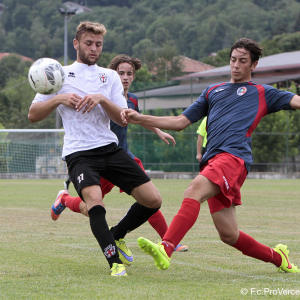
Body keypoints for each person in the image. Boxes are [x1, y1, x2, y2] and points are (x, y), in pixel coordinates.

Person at [123, 37, 300, 273]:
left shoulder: (262, 92)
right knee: (229, 235)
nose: (236, 65)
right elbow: (179, 122)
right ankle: (279, 259)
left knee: (193, 191)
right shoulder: (212, 91)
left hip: (233, 159)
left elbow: (296, 100)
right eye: (233, 60)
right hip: (212, 162)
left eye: (242, 61)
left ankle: (166, 248)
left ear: (253, 65)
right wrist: (140, 118)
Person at [28, 21, 164, 277]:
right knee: (95, 203)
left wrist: (102, 99)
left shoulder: (109, 76)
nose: (94, 49)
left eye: (98, 45)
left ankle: (116, 234)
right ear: (76, 43)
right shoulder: (58, 74)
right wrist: (59, 98)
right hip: (79, 154)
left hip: (109, 149)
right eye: (89, 43)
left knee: (153, 200)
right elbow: (33, 115)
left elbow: (122, 118)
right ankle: (115, 264)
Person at [51, 54, 188, 252]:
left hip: (122, 157)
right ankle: (64, 199)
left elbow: (138, 118)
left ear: (134, 76)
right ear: (112, 75)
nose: (125, 77)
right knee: (91, 209)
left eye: (129, 73)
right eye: (120, 73)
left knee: (148, 198)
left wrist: (158, 130)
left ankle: (168, 241)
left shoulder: (131, 99)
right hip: (99, 158)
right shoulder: (99, 93)